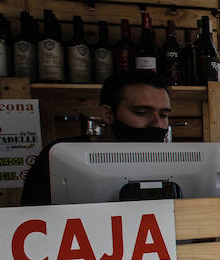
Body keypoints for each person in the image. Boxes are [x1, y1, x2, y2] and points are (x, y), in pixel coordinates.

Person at [22, 69, 173, 206]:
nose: (158, 124)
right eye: (141, 112)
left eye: (164, 115)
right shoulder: (61, 157)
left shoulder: (170, 160)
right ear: (108, 114)